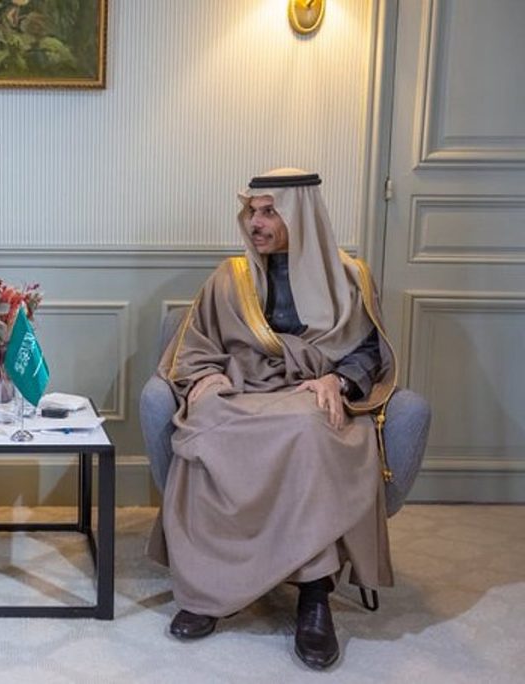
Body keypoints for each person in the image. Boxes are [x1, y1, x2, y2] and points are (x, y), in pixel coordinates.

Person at [147, 168, 397, 670]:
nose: (255, 223)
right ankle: (210, 590)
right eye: (251, 212)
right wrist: (205, 379)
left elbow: (369, 352)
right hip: (242, 391)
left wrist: (338, 381)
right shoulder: (230, 277)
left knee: (311, 427)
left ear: (298, 215)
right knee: (207, 424)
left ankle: (314, 596)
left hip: (310, 395)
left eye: (267, 212)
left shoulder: (351, 277)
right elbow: (195, 345)